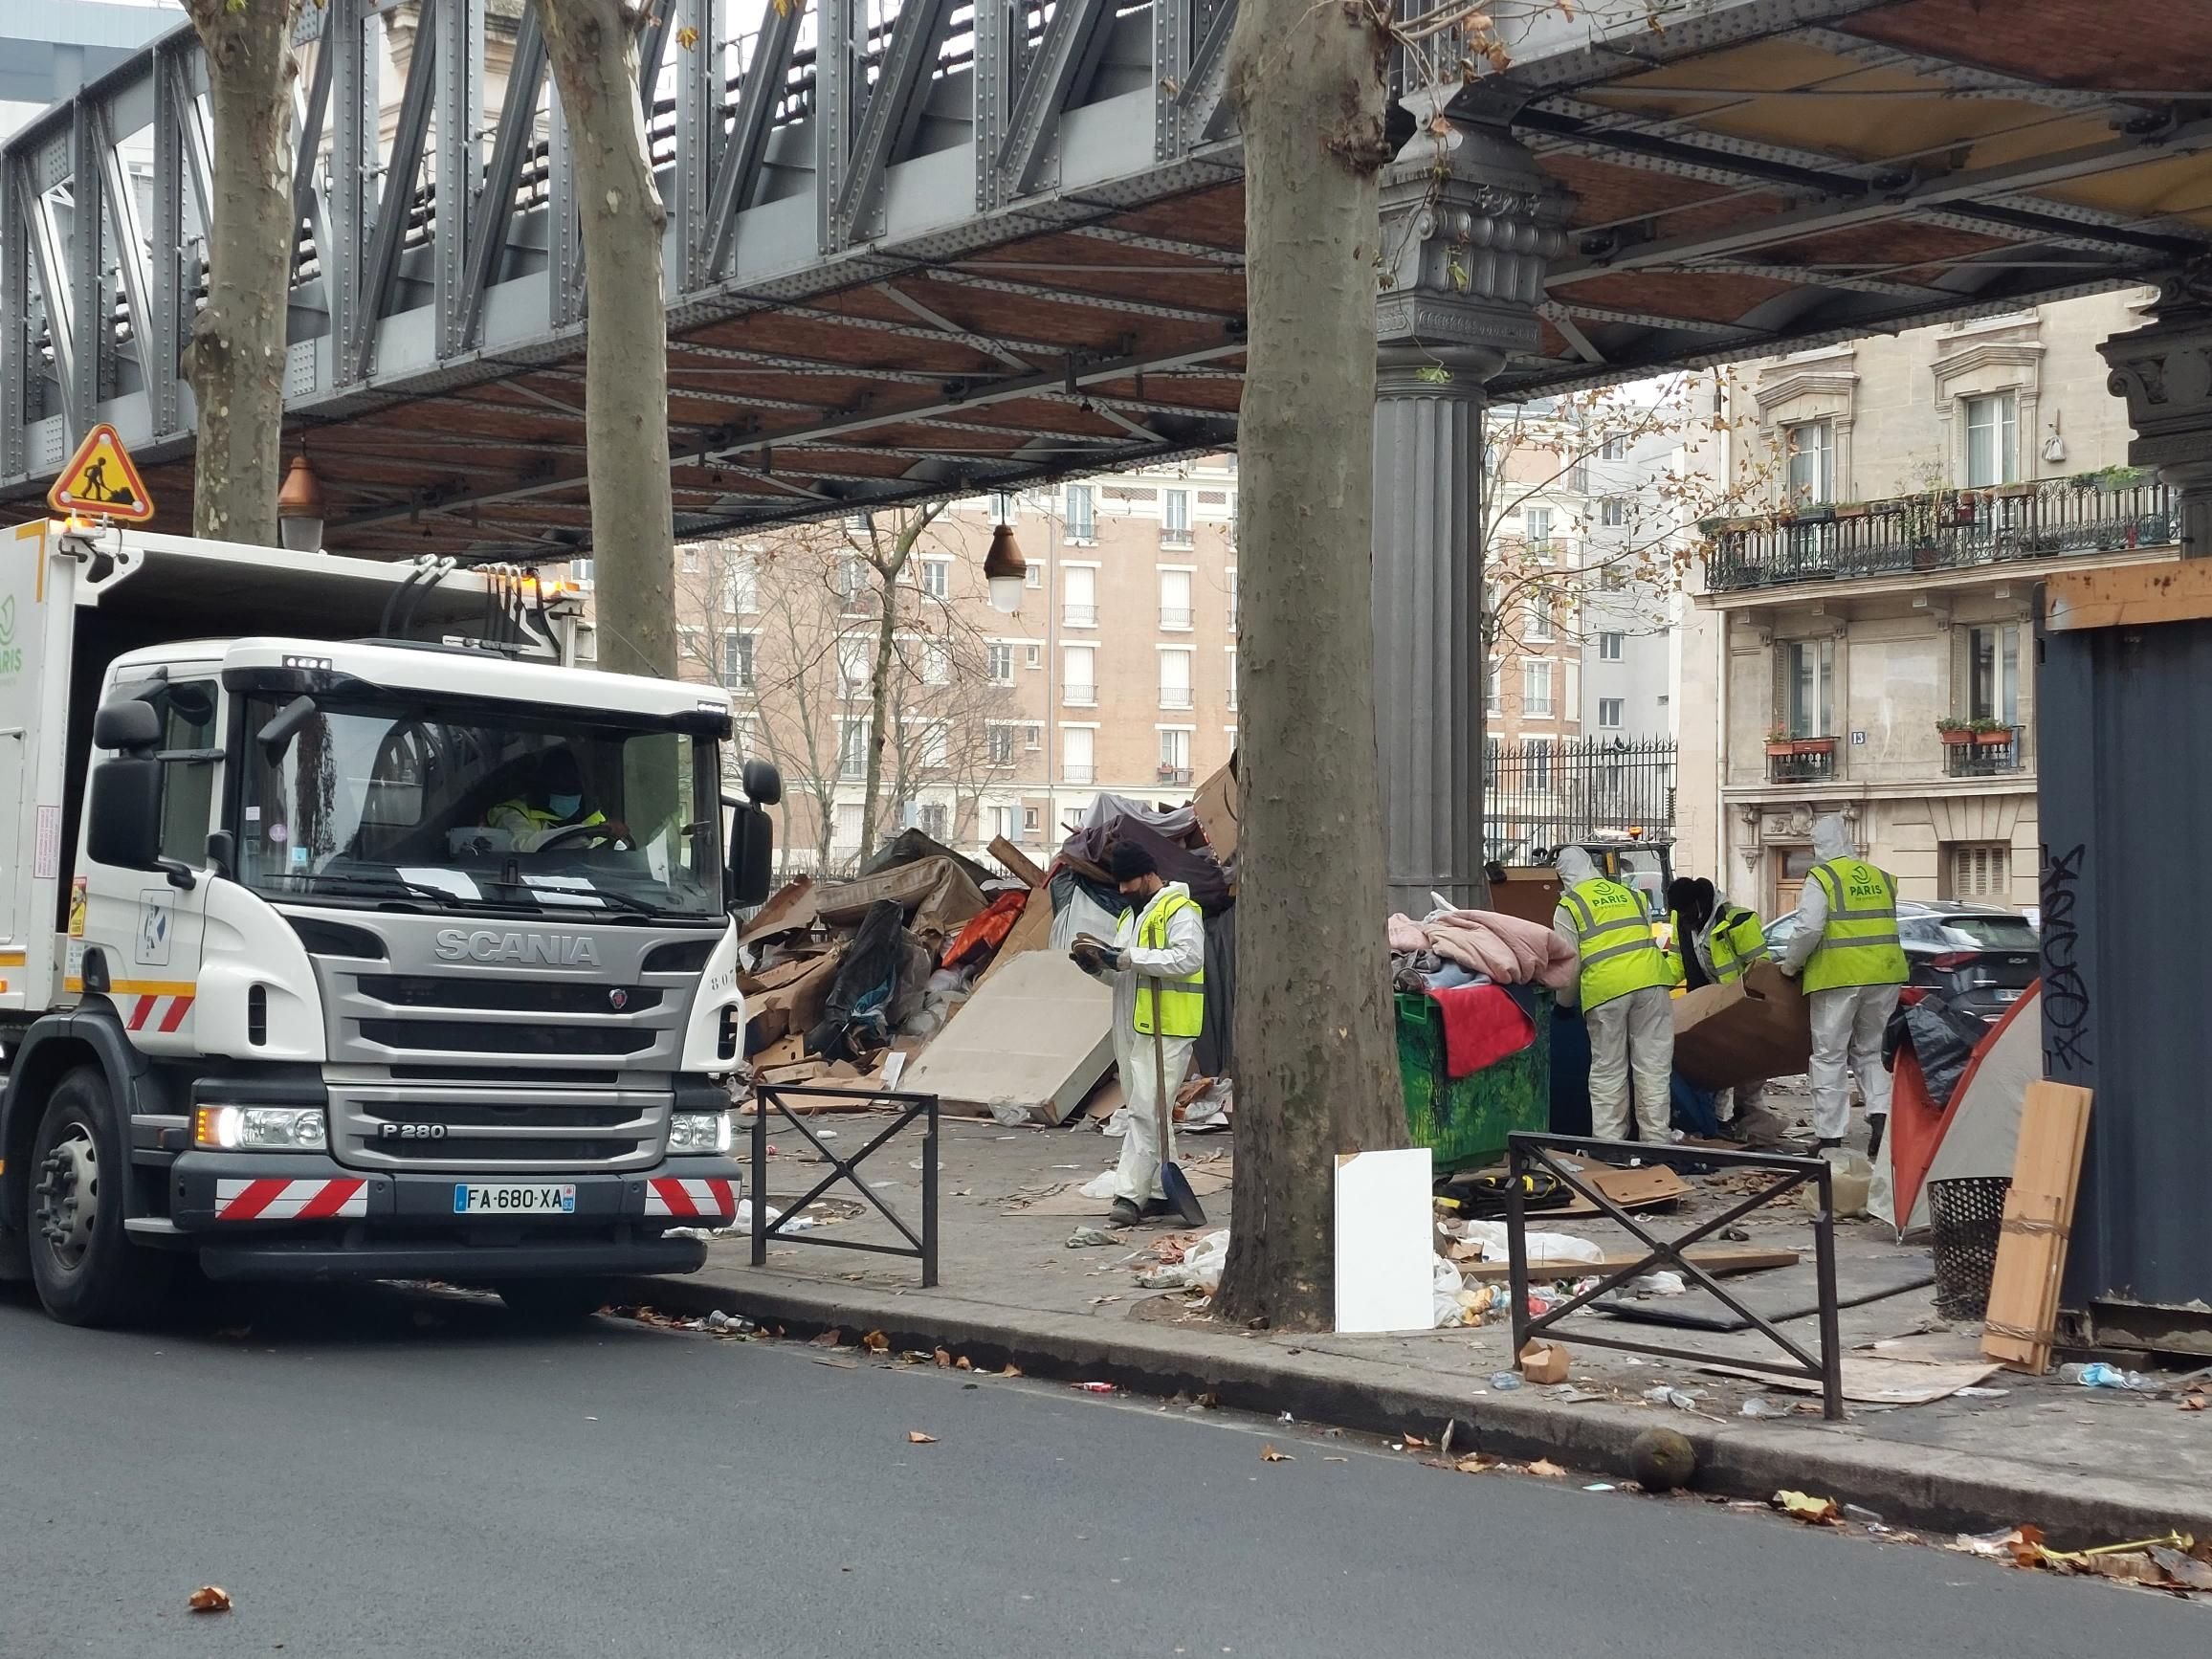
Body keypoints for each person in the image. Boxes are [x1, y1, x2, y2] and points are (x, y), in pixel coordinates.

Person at [1079, 842, 1206, 1229]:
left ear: (1149, 874)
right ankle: (1157, 1191)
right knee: (1148, 1110)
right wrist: (1098, 967)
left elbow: (1189, 958)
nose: (1122, 890)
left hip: (1168, 1027)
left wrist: (1126, 958)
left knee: (1145, 1110)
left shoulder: (1179, 910)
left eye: (1128, 882)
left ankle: (1130, 1195)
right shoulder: (1130, 918)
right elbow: (1126, 976)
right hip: (1136, 1026)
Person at [1775, 813, 1907, 1150]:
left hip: (1838, 978)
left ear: (1819, 846)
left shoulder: (1823, 876)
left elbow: (1808, 929)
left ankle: (1830, 1136)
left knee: (1829, 1056)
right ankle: (1881, 1120)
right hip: (1886, 974)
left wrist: (1790, 966)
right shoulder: (1881, 877)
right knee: (1872, 1051)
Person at [1553, 845, 1676, 1147]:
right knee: (1654, 1067)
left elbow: (1568, 964)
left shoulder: (1570, 906)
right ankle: (1656, 1142)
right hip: (1652, 982)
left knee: (1609, 1070)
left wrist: (1563, 1003)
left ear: (1563, 876)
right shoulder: (1631, 895)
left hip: (1607, 991)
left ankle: (1609, 1145)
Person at [1694, 882, 1778, 1137]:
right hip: (1715, 1003)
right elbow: (1679, 961)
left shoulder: (1739, 921)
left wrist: (1745, 1000)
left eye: (1688, 913)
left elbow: (1760, 965)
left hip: (1742, 1002)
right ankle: (1718, 1119)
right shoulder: (1686, 923)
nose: (1684, 920)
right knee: (1718, 1065)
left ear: (1699, 906)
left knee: (1747, 1065)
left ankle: (1747, 1117)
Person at [485, 747, 626, 853]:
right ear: (543, 789)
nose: (569, 797)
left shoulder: (594, 818)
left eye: (574, 792)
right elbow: (522, 847)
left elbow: (614, 852)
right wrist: (585, 833)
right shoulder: (512, 812)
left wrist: (615, 836)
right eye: (562, 791)